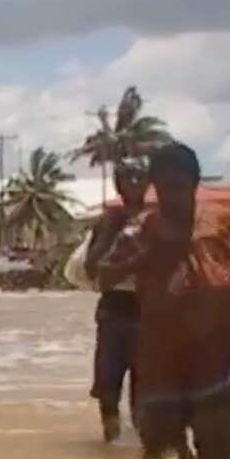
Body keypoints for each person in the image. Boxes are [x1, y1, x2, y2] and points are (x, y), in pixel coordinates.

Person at [99, 142, 230, 459]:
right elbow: (103, 277)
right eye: (166, 188)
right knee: (160, 448)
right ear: (155, 188)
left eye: (182, 187)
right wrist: (146, 257)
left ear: (195, 184)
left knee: (221, 457)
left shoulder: (222, 224)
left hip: (219, 357)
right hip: (162, 358)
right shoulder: (139, 231)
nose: (175, 196)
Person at [83, 159, 149, 443]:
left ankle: (143, 455)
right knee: (108, 384)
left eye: (138, 177)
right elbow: (91, 266)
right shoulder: (108, 221)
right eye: (126, 178)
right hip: (114, 309)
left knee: (145, 387)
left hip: (150, 312)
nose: (133, 183)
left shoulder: (156, 221)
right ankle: (110, 444)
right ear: (117, 184)